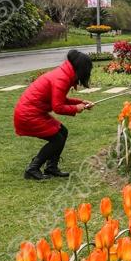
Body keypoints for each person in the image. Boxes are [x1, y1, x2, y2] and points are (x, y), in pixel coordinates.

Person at [13, 50, 95, 180]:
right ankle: (32, 169)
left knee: (62, 132)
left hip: (33, 112)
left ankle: (51, 167)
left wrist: (81, 102)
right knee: (57, 138)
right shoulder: (62, 78)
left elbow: (59, 99)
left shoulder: (64, 73)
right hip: (28, 114)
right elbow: (58, 107)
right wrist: (76, 108)